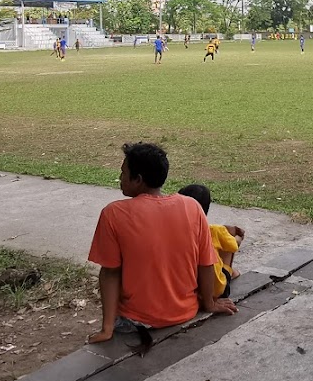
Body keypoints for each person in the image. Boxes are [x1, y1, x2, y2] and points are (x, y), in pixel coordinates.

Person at [87, 143, 237, 343]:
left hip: (136, 320)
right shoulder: (191, 206)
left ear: (138, 179)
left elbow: (110, 273)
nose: (120, 178)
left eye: (123, 173)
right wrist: (209, 304)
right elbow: (206, 263)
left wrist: (107, 329)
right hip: (185, 312)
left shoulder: (113, 214)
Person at [177, 184, 245, 298]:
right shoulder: (214, 230)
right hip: (216, 290)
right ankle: (231, 272)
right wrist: (239, 237)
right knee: (230, 246)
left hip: (188, 286)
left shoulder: (176, 232)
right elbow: (234, 246)